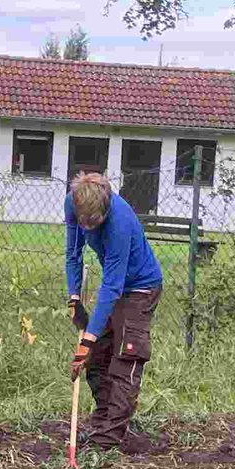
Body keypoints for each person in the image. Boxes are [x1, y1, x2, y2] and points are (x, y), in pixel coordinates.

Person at [64, 170, 164, 452]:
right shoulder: (72, 202)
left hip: (139, 288)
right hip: (116, 286)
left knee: (125, 358)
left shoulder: (119, 220)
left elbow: (112, 285)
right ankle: (104, 422)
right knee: (97, 358)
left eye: (95, 224)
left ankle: (109, 438)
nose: (89, 229)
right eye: (85, 223)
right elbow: (73, 253)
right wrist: (74, 297)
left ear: (106, 207)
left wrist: (87, 339)